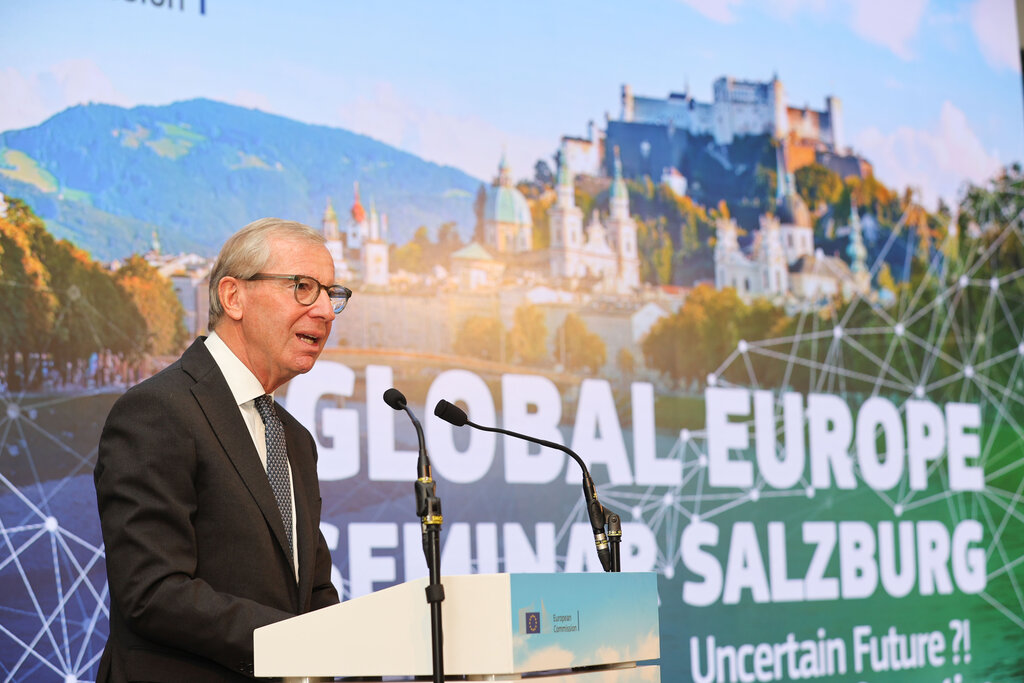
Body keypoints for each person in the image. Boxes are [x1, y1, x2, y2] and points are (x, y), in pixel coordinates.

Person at [94, 218, 351, 682]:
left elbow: (311, 589)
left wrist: (350, 651)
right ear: (234, 296)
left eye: (332, 294)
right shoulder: (158, 411)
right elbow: (151, 591)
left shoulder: (294, 438)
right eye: (303, 287)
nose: (326, 312)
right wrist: (296, 642)